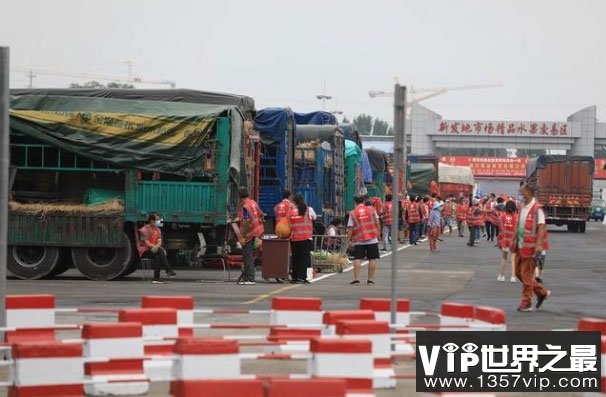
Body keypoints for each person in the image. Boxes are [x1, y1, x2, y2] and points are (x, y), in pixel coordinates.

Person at [511, 182, 551, 312]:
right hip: (520, 246)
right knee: (518, 273)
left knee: (526, 275)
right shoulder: (522, 207)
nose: (520, 194)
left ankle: (526, 302)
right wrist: (513, 240)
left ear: (527, 192)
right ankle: (542, 293)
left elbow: (541, 227)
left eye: (521, 192)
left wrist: (538, 245)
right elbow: (518, 225)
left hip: (531, 248)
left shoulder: (537, 209)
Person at [347, 195, 381, 285]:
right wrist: (379, 233)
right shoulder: (371, 210)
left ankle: (357, 279)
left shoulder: (353, 213)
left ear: (355, 203)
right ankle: (370, 280)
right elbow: (377, 222)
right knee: (372, 258)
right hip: (372, 238)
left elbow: (350, 228)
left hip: (359, 239)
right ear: (364, 202)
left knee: (358, 259)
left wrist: (348, 239)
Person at [138, 212, 177, 284]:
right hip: (146, 251)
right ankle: (168, 269)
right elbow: (147, 244)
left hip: (156, 250)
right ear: (152, 221)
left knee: (158, 256)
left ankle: (156, 278)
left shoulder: (158, 230)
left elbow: (159, 241)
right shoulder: (144, 230)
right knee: (159, 251)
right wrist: (156, 247)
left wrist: (157, 247)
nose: (159, 221)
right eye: (157, 219)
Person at [237, 188, 264, 285]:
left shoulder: (245, 207)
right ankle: (249, 277)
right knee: (250, 256)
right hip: (255, 232)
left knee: (247, 257)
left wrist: (243, 236)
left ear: (240, 197)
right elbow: (261, 215)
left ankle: (249, 278)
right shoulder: (253, 203)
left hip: (249, 234)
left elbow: (245, 222)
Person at [288, 194, 315, 284]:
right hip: (305, 238)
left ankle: (294, 277)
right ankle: (301, 277)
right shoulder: (308, 210)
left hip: (294, 239)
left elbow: (288, 224)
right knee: (303, 259)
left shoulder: (290, 212)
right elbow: (314, 217)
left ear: (294, 202)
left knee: (295, 258)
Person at [497, 200, 518, 283]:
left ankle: (502, 275)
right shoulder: (516, 217)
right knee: (513, 259)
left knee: (504, 258)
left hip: (505, 240)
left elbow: (500, 229)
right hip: (514, 240)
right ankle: (513, 277)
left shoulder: (502, 216)